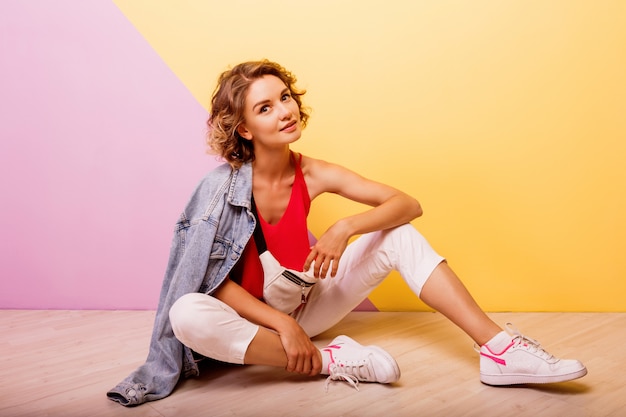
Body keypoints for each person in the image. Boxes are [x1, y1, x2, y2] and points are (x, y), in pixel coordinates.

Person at [107, 60, 587, 406]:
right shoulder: (218, 190)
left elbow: (408, 204)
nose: (284, 111)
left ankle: (499, 352)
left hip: (305, 305)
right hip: (254, 322)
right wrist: (283, 325)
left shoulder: (313, 173)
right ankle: (332, 360)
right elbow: (212, 284)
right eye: (266, 107)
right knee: (187, 312)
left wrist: (345, 226)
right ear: (245, 128)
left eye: (286, 97)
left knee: (398, 234)